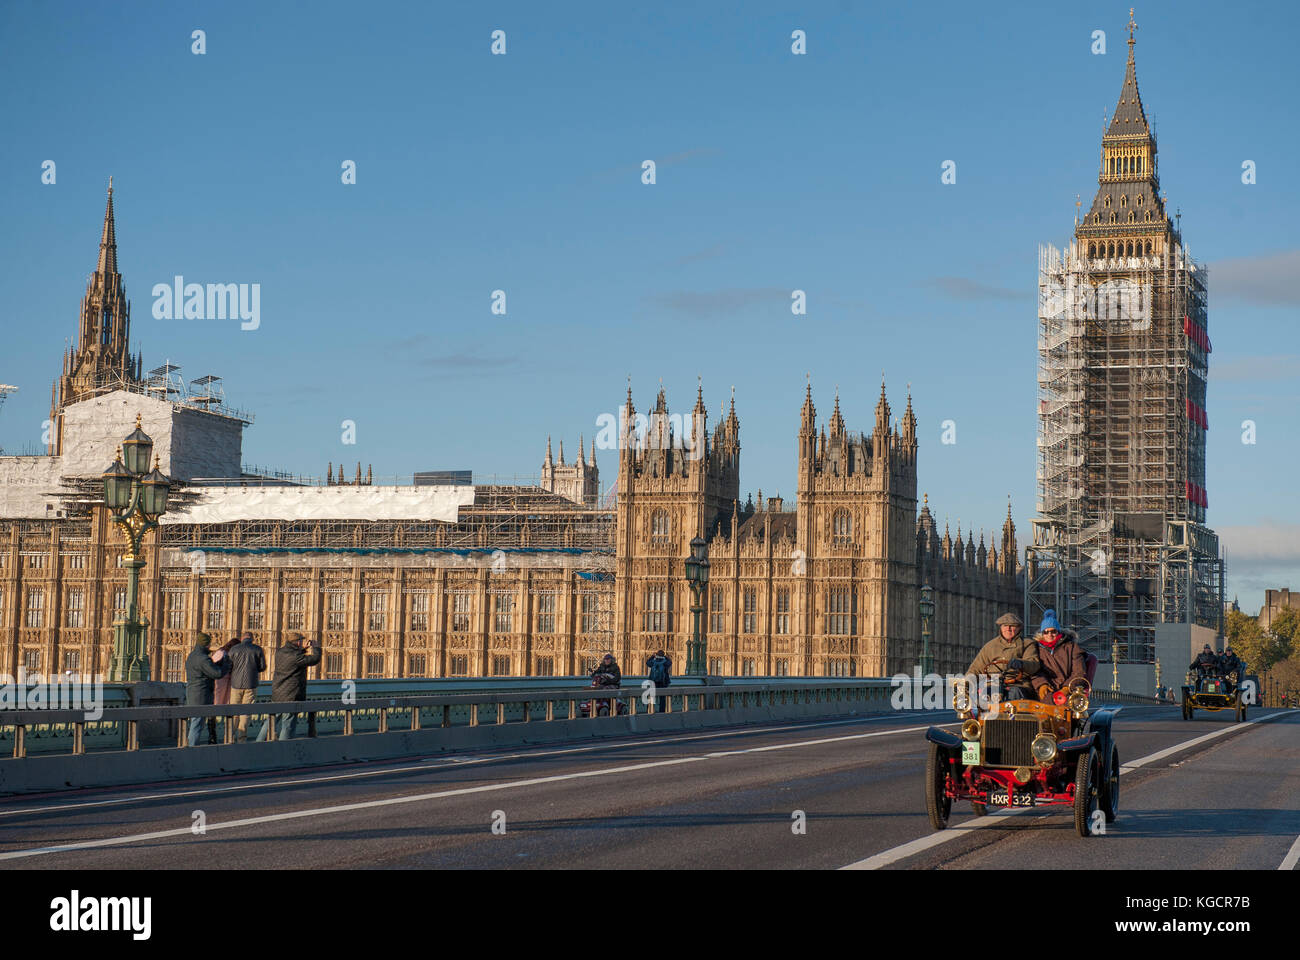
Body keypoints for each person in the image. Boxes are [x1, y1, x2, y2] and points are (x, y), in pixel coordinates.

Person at [258, 632, 322, 741]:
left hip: (278, 692)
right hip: (291, 694)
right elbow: (314, 659)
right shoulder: (296, 656)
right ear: (298, 642)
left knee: (271, 720)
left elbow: (292, 658)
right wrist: (316, 648)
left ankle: (259, 742)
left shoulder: (279, 652)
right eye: (301, 641)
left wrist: (302, 650)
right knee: (288, 724)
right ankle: (285, 747)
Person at [967, 611, 1039, 701]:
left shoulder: (1027, 644)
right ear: (1000, 627)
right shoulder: (990, 646)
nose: (1008, 629)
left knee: (1015, 695)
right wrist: (966, 682)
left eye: (1012, 626)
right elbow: (976, 668)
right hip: (993, 685)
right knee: (983, 698)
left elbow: (1034, 664)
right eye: (1005, 625)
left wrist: (1021, 664)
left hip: (1018, 684)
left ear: (1019, 628)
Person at [185, 631, 230, 747]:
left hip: (192, 693)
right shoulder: (203, 658)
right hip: (201, 695)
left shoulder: (192, 655)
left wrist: (217, 663)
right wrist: (226, 665)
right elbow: (217, 673)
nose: (210, 646)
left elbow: (206, 670)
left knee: (195, 723)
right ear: (205, 644)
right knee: (197, 724)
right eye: (209, 644)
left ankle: (190, 747)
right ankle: (190, 750)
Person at [1030, 611, 1089, 698]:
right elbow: (1034, 670)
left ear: (1058, 632)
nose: (1050, 634)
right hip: (1047, 689)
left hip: (1068, 690)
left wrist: (1067, 687)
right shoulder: (1037, 649)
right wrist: (1042, 684)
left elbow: (1079, 671)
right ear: (1042, 634)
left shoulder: (1071, 647)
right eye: (1046, 632)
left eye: (1053, 631)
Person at [226, 631, 266, 742]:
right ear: (252, 639)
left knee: (234, 711)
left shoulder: (234, 649)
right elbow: (262, 667)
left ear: (242, 638)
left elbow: (228, 666)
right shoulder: (257, 649)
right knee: (245, 713)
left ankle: (229, 737)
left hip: (236, 685)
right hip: (251, 684)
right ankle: (242, 738)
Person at [208, 636, 239, 744]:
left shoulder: (228, 654)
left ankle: (228, 736)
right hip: (219, 683)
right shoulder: (222, 652)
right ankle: (212, 735)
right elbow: (212, 667)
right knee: (215, 708)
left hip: (227, 684)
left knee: (228, 708)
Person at [646, 648, 672, 712]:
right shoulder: (665, 663)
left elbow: (647, 663)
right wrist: (665, 657)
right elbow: (670, 662)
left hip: (653, 682)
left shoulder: (653, 662)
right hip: (662, 682)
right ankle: (662, 711)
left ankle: (650, 709)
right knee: (662, 698)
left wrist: (652, 656)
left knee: (651, 696)